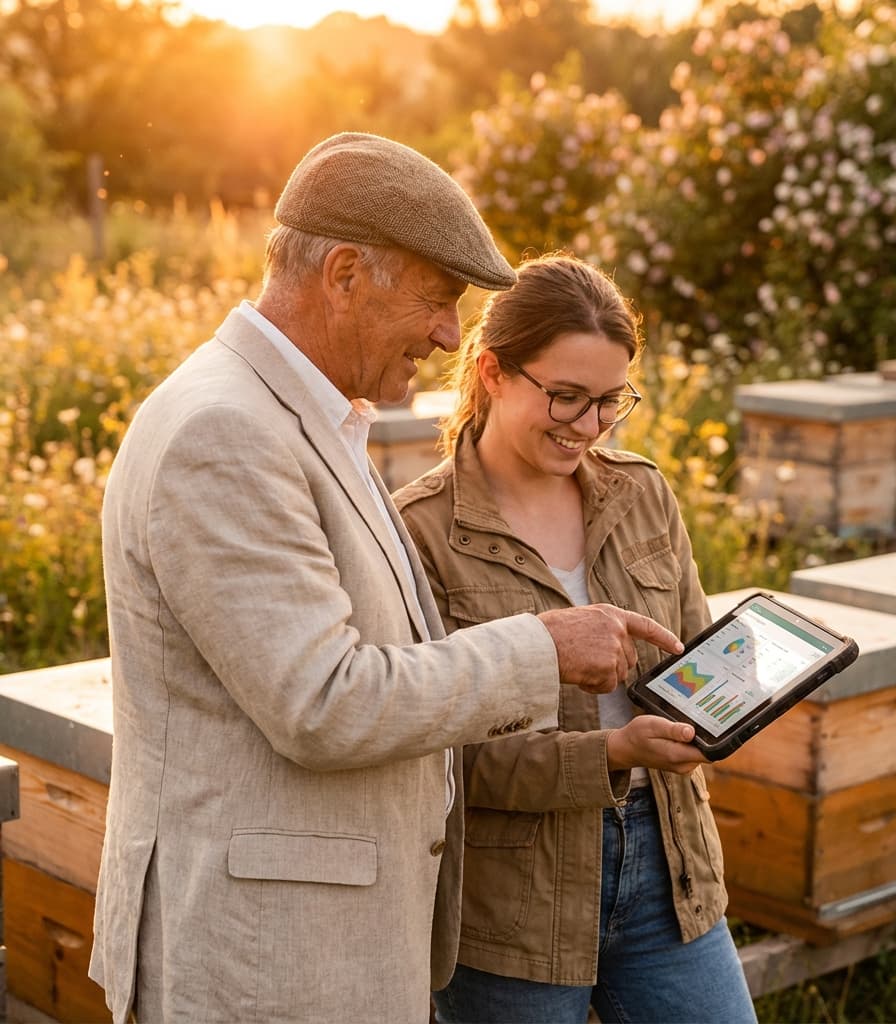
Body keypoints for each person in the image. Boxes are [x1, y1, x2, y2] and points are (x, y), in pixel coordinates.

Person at [88, 136, 686, 1024]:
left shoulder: (305, 416)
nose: (449, 334)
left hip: (314, 942)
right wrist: (542, 650)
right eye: (437, 299)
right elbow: (322, 702)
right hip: (267, 961)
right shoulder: (227, 432)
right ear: (342, 274)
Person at [395, 254, 758, 1024]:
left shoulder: (642, 491)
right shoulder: (418, 532)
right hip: (511, 901)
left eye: (609, 402)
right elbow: (435, 759)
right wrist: (614, 753)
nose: (589, 427)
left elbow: (698, 654)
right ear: (493, 372)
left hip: (670, 870)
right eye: (565, 397)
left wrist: (737, 693)